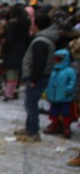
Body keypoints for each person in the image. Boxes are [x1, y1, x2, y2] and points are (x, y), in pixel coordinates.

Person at [14, 12, 59, 142]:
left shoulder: (41, 41)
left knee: (31, 104)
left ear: (37, 25)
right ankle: (29, 128)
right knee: (30, 103)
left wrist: (33, 79)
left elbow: (39, 63)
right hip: (40, 76)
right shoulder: (43, 39)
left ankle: (33, 131)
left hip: (37, 78)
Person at [0, 5, 31, 101]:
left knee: (10, 73)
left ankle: (8, 94)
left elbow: (10, 39)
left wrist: (4, 48)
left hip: (12, 51)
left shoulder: (12, 25)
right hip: (22, 50)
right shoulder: (26, 24)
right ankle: (13, 91)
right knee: (16, 73)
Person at [43, 48, 76, 139]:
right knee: (53, 112)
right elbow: (50, 82)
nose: (57, 61)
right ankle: (55, 124)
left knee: (65, 113)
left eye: (59, 59)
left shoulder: (69, 71)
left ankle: (66, 127)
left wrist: (68, 90)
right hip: (53, 96)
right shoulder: (54, 70)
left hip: (65, 97)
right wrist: (47, 92)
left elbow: (72, 82)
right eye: (56, 59)